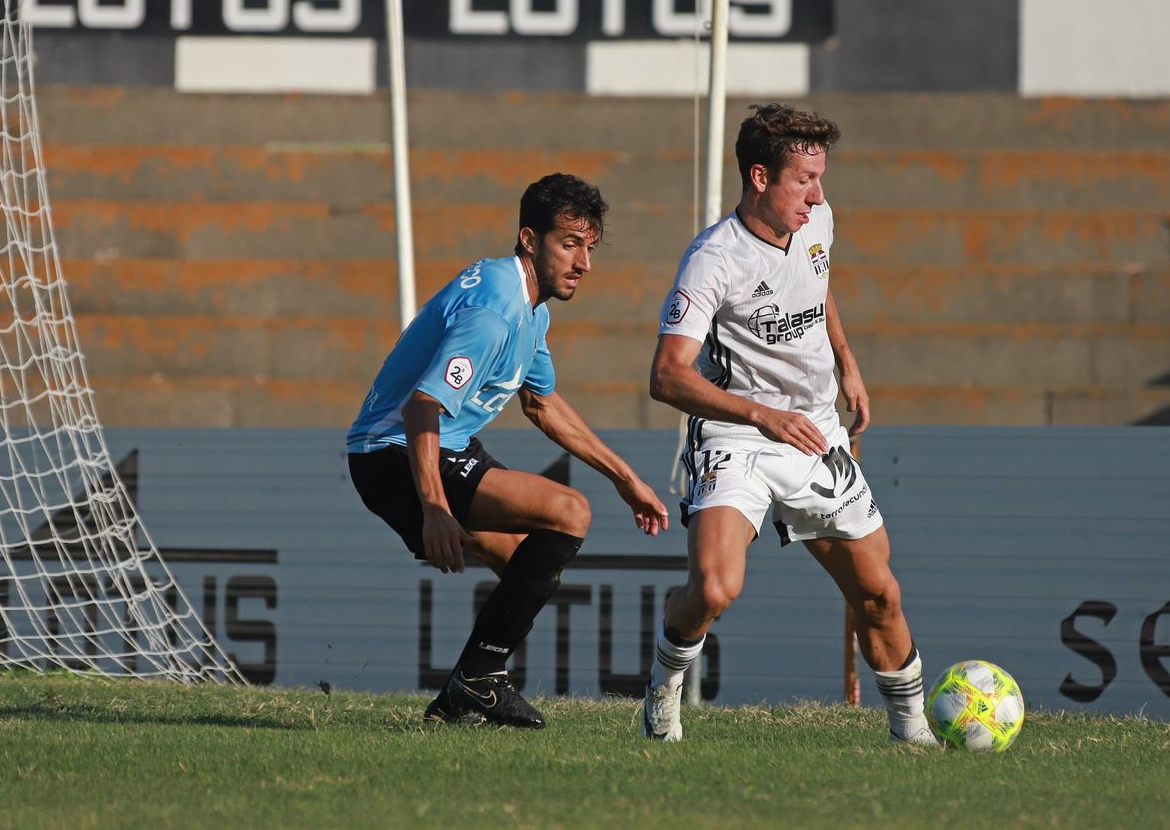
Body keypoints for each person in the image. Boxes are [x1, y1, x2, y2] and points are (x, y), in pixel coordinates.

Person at [640, 104, 937, 745]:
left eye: (820, 178)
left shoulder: (816, 220)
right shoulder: (713, 259)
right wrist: (762, 415)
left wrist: (848, 364)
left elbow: (817, 283)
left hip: (815, 432)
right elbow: (666, 375)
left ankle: (913, 733)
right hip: (738, 434)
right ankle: (663, 687)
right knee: (714, 588)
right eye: (804, 180)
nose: (818, 195)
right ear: (759, 177)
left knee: (879, 594)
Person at [348, 173, 668, 729]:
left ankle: (460, 700)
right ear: (529, 239)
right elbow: (422, 407)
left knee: (522, 559)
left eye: (590, 247)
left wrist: (625, 478)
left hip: (426, 445)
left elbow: (542, 405)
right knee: (569, 511)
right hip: (394, 451)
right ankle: (478, 680)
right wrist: (435, 509)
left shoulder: (531, 308)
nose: (584, 263)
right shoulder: (495, 311)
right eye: (570, 244)